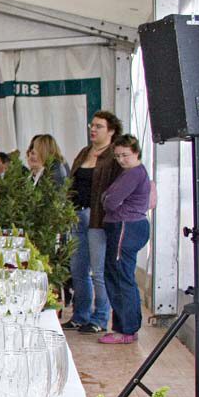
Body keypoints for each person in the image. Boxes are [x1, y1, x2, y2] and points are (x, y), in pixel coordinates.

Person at [63, 111, 121, 333]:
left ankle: (100, 317)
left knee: (98, 271)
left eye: (99, 126)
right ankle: (81, 314)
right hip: (76, 215)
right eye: (92, 126)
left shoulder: (113, 156)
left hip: (98, 218)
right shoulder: (84, 153)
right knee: (78, 269)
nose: (93, 129)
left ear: (111, 130)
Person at [98, 135, 152, 345]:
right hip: (126, 225)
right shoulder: (132, 172)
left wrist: (108, 199)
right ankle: (125, 327)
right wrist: (107, 199)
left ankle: (126, 329)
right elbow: (108, 198)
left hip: (125, 227)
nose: (121, 160)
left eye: (125, 155)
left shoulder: (133, 174)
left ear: (136, 153)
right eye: (118, 155)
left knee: (121, 277)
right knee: (118, 275)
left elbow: (110, 201)